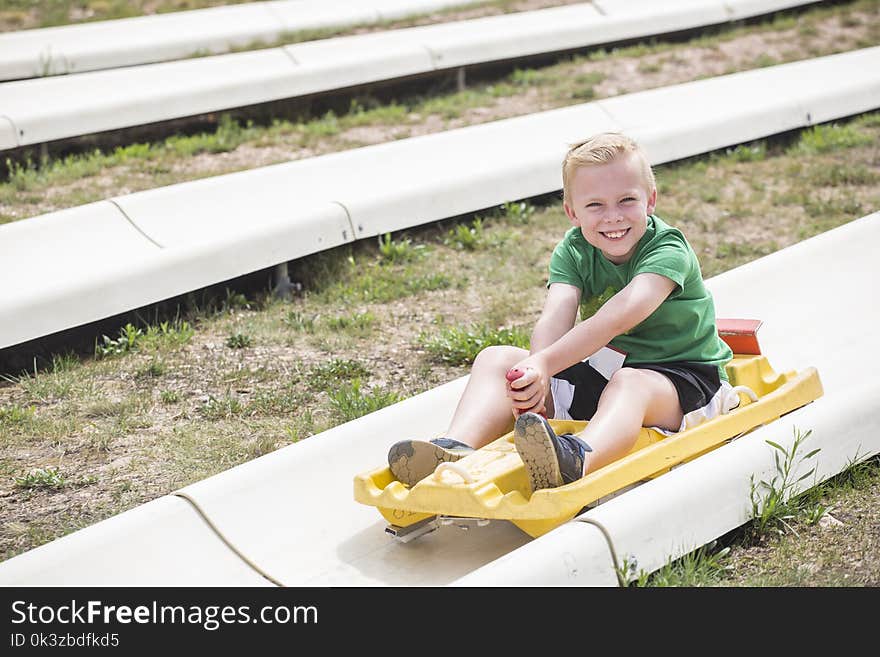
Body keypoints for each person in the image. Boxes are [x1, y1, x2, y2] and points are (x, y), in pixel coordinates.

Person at [387, 132, 737, 494]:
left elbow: (619, 315)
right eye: (595, 205)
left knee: (630, 383)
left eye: (626, 200)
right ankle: (454, 448)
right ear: (572, 212)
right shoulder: (574, 250)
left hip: (685, 383)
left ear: (650, 200)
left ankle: (576, 460)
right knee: (497, 359)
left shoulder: (667, 249)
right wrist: (534, 378)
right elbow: (557, 313)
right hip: (606, 375)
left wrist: (546, 366)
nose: (612, 216)